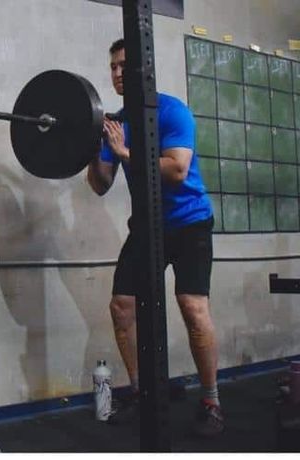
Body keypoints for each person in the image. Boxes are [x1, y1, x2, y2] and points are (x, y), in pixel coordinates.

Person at [87, 38, 223, 437]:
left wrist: (124, 152)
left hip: (189, 221)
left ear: (143, 70)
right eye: (112, 67)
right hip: (147, 225)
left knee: (192, 307)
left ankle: (212, 400)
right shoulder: (116, 123)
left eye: (123, 65)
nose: (117, 73)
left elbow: (177, 169)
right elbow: (100, 184)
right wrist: (89, 145)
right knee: (122, 307)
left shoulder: (172, 111)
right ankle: (140, 391)